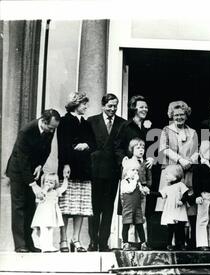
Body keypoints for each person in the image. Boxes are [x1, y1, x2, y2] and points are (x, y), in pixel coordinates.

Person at [6, 109, 61, 252]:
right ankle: (20, 245)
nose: (52, 131)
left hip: (33, 168)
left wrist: (40, 165)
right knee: (19, 206)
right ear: (43, 122)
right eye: (50, 128)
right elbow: (21, 160)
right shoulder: (26, 131)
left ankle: (29, 243)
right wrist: (33, 184)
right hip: (18, 171)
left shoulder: (51, 129)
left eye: (54, 129)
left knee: (31, 207)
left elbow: (47, 149)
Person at [156, 101, 198, 249]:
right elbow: (163, 148)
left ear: (186, 116)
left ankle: (185, 241)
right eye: (176, 115)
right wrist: (180, 159)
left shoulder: (192, 132)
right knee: (170, 205)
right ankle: (170, 242)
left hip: (187, 171)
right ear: (171, 116)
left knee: (185, 204)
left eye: (182, 115)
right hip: (171, 171)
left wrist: (189, 161)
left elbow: (196, 151)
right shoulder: (166, 130)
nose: (179, 117)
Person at [57, 92, 96, 252]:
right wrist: (66, 164)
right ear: (76, 104)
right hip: (69, 167)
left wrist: (86, 145)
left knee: (81, 207)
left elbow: (94, 143)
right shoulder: (64, 121)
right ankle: (63, 240)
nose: (86, 107)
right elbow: (63, 145)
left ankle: (76, 240)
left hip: (84, 169)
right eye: (84, 104)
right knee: (66, 207)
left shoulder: (86, 123)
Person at [87, 93, 126, 252]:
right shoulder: (91, 121)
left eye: (115, 105)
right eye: (110, 106)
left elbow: (122, 146)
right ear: (103, 106)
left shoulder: (122, 123)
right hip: (95, 170)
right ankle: (93, 241)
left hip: (112, 172)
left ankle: (103, 242)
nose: (113, 109)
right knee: (94, 208)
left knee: (108, 208)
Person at [120, 138, 152, 250]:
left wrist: (147, 186)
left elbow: (149, 177)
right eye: (138, 148)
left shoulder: (146, 162)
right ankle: (129, 242)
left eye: (142, 148)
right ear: (132, 149)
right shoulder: (128, 162)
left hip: (142, 195)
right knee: (129, 218)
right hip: (130, 195)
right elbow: (124, 179)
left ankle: (142, 242)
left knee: (140, 218)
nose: (141, 150)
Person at [152, 165, 192, 251]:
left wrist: (182, 201)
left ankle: (181, 244)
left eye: (168, 174)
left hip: (179, 210)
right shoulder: (167, 187)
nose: (165, 176)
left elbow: (186, 195)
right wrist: (149, 193)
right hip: (170, 210)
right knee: (170, 228)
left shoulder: (181, 185)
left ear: (176, 175)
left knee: (180, 228)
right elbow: (159, 194)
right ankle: (169, 244)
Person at [31, 173, 68, 252]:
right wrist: (44, 190)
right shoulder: (41, 192)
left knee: (50, 229)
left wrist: (65, 179)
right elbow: (37, 195)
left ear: (55, 184)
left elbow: (64, 188)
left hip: (51, 214)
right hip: (43, 214)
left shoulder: (55, 192)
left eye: (51, 183)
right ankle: (44, 246)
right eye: (46, 182)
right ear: (43, 182)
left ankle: (50, 245)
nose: (48, 184)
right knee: (43, 229)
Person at [192, 141, 210, 251]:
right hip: (204, 195)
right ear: (204, 152)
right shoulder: (199, 167)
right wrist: (197, 195)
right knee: (203, 219)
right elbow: (195, 182)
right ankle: (202, 243)